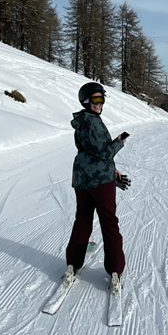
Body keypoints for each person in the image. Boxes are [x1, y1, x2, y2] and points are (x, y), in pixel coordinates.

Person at [65, 82, 131, 294]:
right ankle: (115, 269)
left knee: (83, 219)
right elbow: (104, 153)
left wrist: (113, 171)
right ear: (86, 101)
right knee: (109, 221)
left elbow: (92, 152)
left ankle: (73, 264)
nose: (99, 104)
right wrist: (119, 142)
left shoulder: (81, 121)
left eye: (101, 99)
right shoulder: (93, 122)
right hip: (99, 183)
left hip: (82, 179)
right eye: (95, 100)